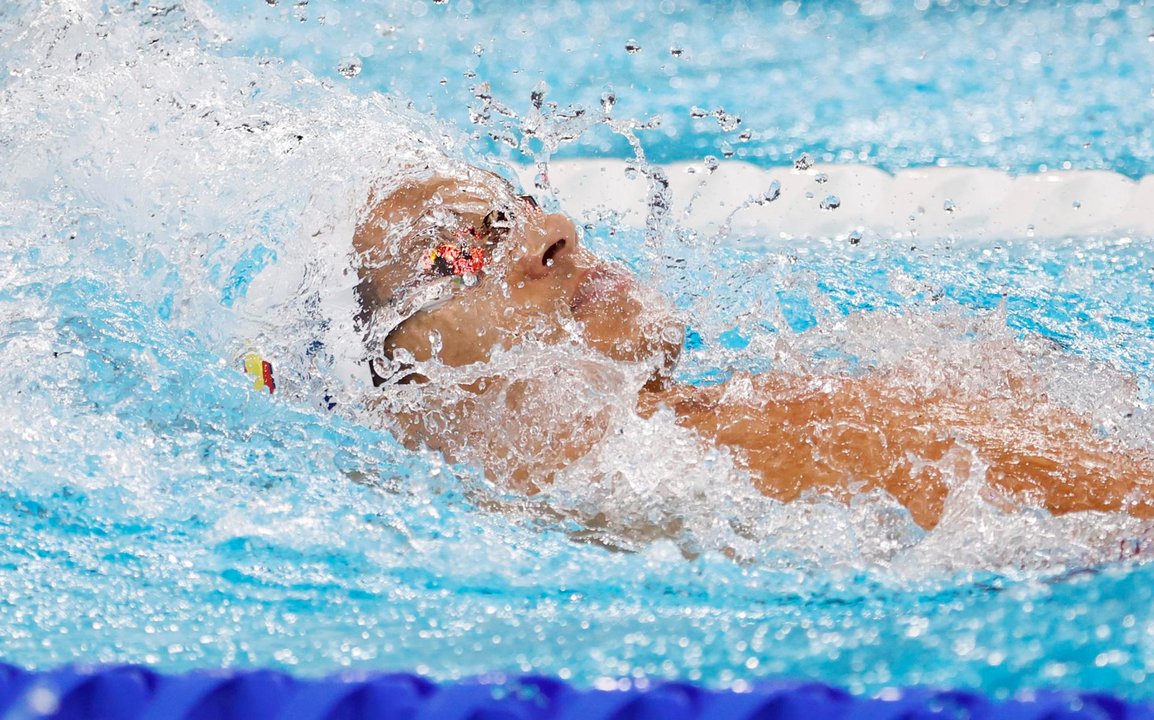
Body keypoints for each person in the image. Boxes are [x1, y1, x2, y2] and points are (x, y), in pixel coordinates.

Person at [350, 164, 1154, 531]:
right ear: (416, 387)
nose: (553, 230)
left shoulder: (713, 434)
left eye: (520, 204)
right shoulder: (702, 465)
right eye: (461, 251)